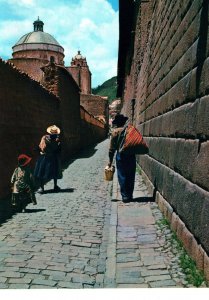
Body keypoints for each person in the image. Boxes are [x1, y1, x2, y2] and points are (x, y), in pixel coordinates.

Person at [108, 114, 136, 203]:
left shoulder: (115, 132)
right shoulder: (129, 130)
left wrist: (110, 161)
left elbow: (111, 149)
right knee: (131, 175)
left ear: (117, 123)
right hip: (131, 155)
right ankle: (130, 194)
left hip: (121, 156)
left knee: (122, 175)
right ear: (124, 122)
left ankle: (125, 196)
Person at [34, 125, 62, 193]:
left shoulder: (56, 140)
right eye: (53, 132)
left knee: (53, 171)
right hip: (46, 157)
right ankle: (43, 187)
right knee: (43, 171)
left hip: (50, 157)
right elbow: (41, 146)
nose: (54, 134)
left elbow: (58, 149)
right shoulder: (46, 138)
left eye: (55, 133)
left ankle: (53, 186)